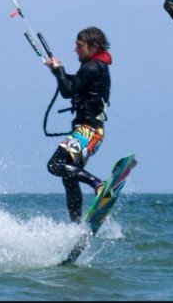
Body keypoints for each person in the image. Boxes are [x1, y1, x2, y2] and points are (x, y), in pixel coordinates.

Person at [46, 27, 112, 223]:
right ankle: (76, 226)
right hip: (89, 130)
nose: (75, 49)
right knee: (69, 178)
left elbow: (67, 91)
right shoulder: (97, 67)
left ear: (93, 46)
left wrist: (59, 70)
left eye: (79, 45)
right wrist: (58, 71)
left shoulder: (92, 67)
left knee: (55, 165)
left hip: (88, 131)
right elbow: (75, 84)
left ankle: (98, 184)